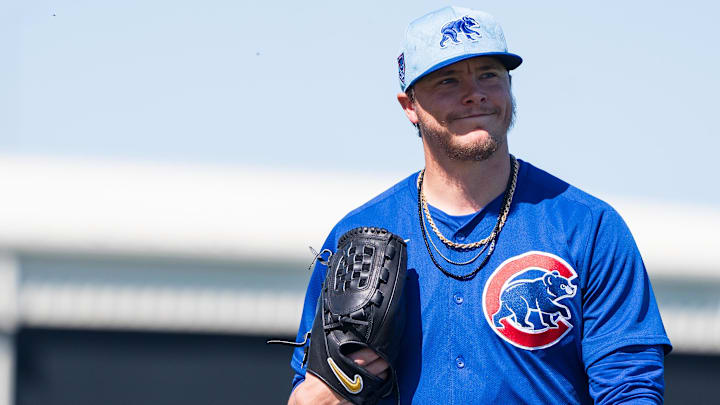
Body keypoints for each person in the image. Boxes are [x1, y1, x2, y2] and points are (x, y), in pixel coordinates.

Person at [287, 6, 671, 405]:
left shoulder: (587, 227)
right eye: (448, 80)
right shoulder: (360, 234)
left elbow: (631, 387)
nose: (475, 93)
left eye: (488, 74)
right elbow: (308, 391)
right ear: (409, 106)